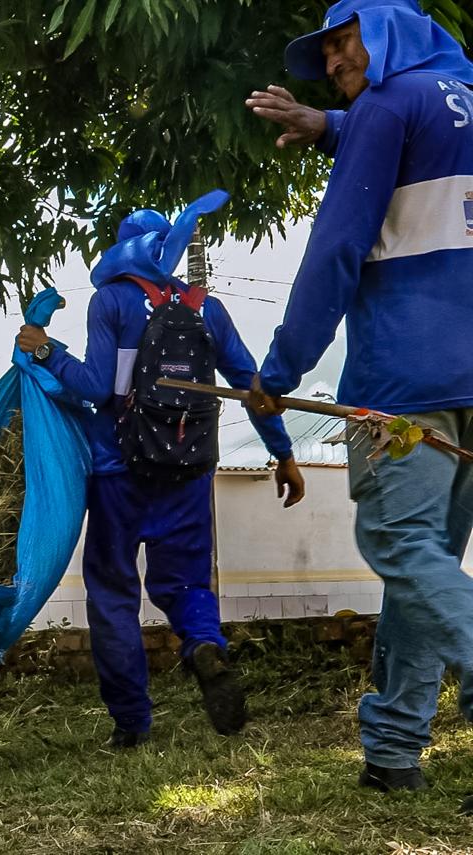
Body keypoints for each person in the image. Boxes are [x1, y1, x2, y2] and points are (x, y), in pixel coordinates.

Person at [244, 0, 473, 805]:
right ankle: (393, 750)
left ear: (386, 34)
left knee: (403, 547)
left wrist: (278, 372)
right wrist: (332, 125)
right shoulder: (455, 98)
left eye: (344, 43)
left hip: (405, 388)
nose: (336, 63)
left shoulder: (384, 104)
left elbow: (338, 249)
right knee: (429, 569)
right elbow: (425, 154)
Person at [17, 192, 305, 748]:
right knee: (186, 583)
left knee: (112, 591)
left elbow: (97, 387)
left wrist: (49, 352)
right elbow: (253, 387)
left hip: (118, 472)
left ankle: (131, 724)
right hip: (189, 471)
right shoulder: (206, 308)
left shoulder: (113, 303)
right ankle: (202, 643)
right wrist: (284, 453)